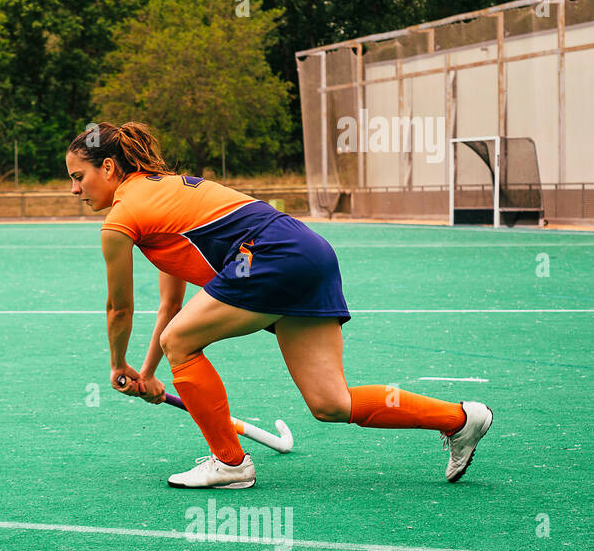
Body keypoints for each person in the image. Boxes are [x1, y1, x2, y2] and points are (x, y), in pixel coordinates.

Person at [66, 121, 493, 489]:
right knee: (331, 403)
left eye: (78, 177)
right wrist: (147, 375)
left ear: (107, 167)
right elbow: (170, 307)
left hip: (269, 255)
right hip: (308, 251)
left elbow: (120, 310)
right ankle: (460, 419)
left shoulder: (122, 218)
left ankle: (230, 463)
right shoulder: (163, 201)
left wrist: (118, 365)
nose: (74, 189)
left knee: (181, 342)